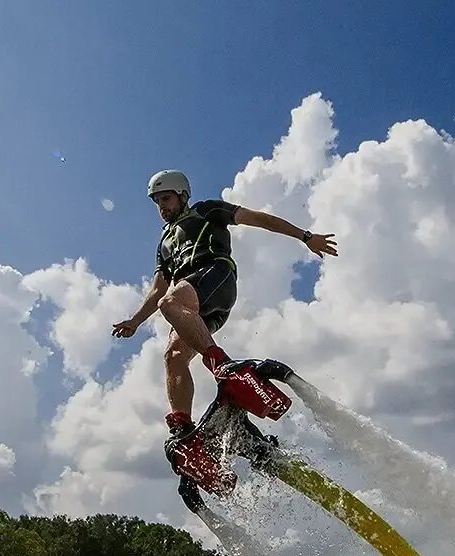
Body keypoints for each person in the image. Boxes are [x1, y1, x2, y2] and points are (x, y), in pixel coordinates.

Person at [111, 169, 337, 462]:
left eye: (165, 198)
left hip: (214, 278)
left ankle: (225, 367)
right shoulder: (164, 245)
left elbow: (261, 220)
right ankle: (184, 431)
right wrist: (134, 321)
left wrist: (305, 236)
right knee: (173, 356)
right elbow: (157, 290)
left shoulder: (206, 211)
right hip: (193, 311)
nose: (161, 207)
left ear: (182, 195)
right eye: (157, 202)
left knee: (170, 303)